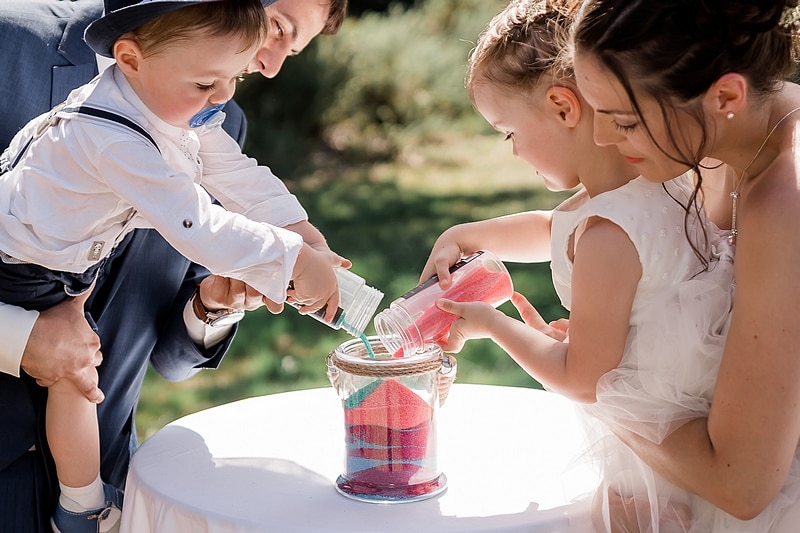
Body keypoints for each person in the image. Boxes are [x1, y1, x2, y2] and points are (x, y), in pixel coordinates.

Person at [0, 0, 348, 531]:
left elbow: (238, 181)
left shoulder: (207, 106)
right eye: (276, 27)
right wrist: (18, 337)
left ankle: (81, 502)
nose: (270, 64)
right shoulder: (13, 47)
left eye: (292, 48)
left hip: (109, 456)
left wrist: (288, 244)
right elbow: (197, 224)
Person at [420, 0, 737, 530]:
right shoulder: (657, 187)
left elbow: (583, 379)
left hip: (659, 473)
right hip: (683, 437)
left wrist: (490, 324)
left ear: (564, 107)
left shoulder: (608, 236)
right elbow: (553, 228)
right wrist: (464, 234)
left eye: (508, 132)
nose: (514, 152)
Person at [570, 0, 800, 530]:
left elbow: (741, 480)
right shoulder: (715, 132)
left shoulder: (784, 201)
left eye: (624, 121)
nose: (603, 139)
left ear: (725, 95)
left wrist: (596, 387)